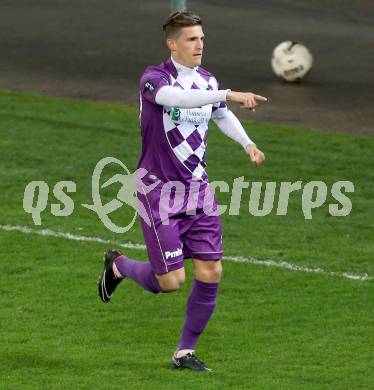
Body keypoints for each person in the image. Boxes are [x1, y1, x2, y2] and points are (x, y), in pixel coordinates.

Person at [98, 11, 266, 372]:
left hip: (199, 191)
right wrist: (228, 93)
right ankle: (119, 266)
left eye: (202, 38)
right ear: (172, 43)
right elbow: (178, 100)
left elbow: (219, 113)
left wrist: (247, 143)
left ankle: (184, 353)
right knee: (170, 282)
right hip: (159, 193)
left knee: (211, 272)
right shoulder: (154, 79)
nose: (200, 44)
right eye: (191, 39)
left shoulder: (207, 80)